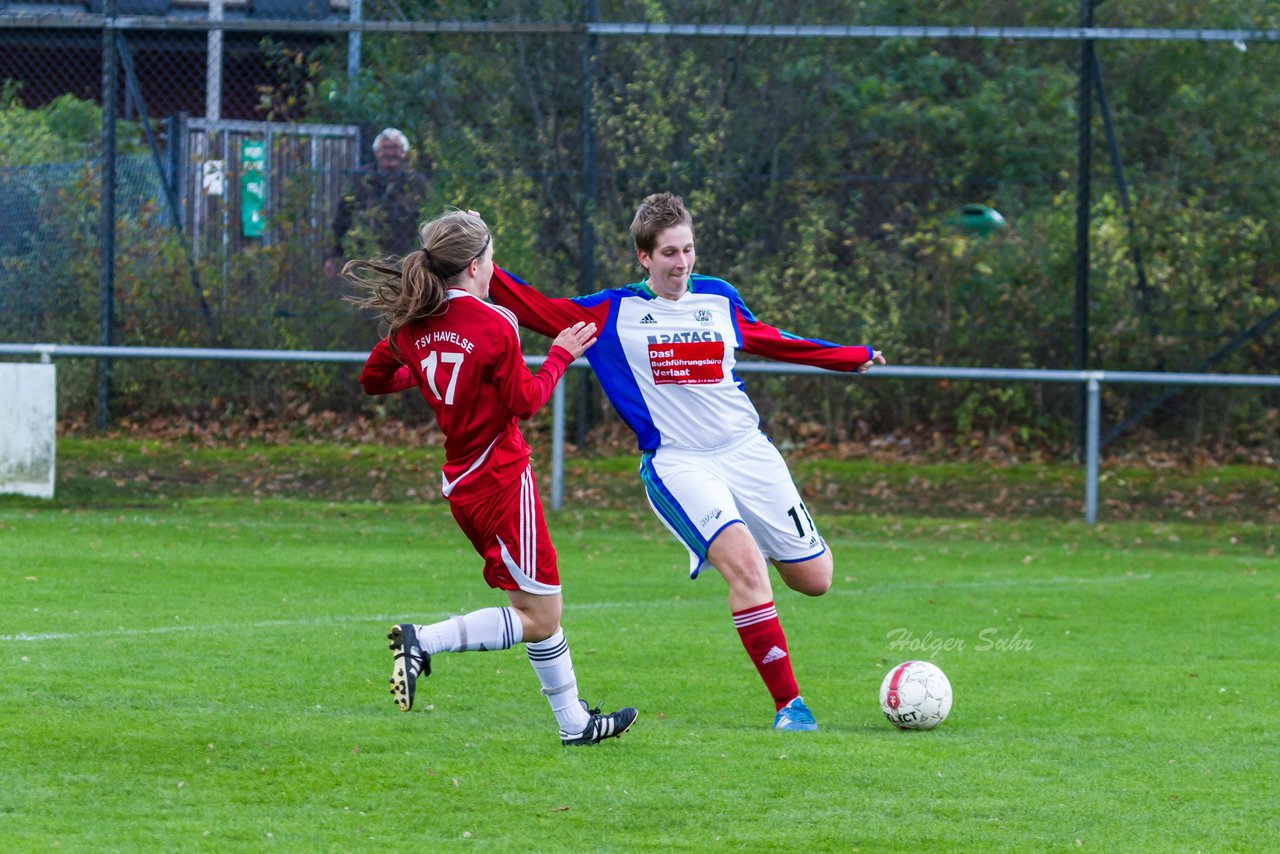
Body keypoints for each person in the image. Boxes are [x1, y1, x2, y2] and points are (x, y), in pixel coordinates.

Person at [485, 193, 885, 732]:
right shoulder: (612, 311)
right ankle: (791, 707)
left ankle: (746, 548)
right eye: (669, 253)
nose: (682, 263)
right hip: (679, 464)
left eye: (688, 249)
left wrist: (847, 356)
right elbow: (534, 305)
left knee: (816, 579)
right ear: (644, 258)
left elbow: (771, 339)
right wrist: (478, 257)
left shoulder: (718, 298)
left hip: (749, 452)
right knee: (745, 569)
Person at [346, 209, 637, 746]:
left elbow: (374, 378)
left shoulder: (413, 323)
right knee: (542, 614)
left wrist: (427, 376)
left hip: (463, 484)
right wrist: (559, 355)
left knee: (534, 606)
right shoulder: (496, 323)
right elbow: (524, 402)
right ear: (477, 266)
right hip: (502, 479)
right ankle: (422, 640)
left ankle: (574, 723)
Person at [326, 128, 431, 276]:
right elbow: (341, 219)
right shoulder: (358, 180)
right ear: (376, 152)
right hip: (363, 260)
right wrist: (332, 255)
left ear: (404, 152)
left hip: (406, 262)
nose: (390, 152)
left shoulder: (417, 183)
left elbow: (428, 220)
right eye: (385, 148)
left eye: (395, 148)